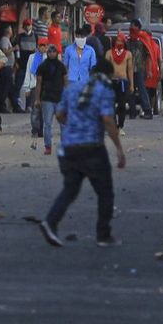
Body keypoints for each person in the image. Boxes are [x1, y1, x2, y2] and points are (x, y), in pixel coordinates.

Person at [37, 61, 127, 248]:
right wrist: (118, 148)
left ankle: (50, 221)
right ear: (108, 75)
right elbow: (108, 120)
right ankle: (103, 235)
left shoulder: (73, 88)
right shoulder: (105, 90)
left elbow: (60, 115)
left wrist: (75, 126)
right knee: (105, 192)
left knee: (70, 189)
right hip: (92, 148)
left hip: (69, 147)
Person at [34, 44, 67, 155]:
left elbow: (66, 82)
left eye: (54, 51)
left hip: (60, 98)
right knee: (47, 124)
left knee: (63, 124)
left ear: (57, 53)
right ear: (47, 53)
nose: (52, 53)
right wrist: (37, 99)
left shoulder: (61, 66)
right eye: (50, 51)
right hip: (46, 98)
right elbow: (39, 83)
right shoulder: (42, 66)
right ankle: (48, 146)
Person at [107, 34, 134, 133]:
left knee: (122, 105)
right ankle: (114, 125)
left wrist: (132, 84)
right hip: (111, 82)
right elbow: (105, 69)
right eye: (118, 41)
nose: (119, 43)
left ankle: (120, 126)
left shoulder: (128, 54)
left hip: (123, 82)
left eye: (121, 41)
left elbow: (130, 69)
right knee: (111, 104)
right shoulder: (109, 53)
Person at [0, 23, 17, 113]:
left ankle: (15, 105)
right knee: (5, 87)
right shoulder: (4, 40)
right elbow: (4, 51)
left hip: (9, 67)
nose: (12, 31)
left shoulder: (8, 40)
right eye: (11, 29)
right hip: (5, 67)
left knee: (10, 88)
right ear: (8, 30)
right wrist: (14, 48)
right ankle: (1, 105)